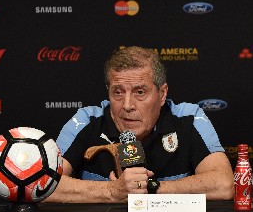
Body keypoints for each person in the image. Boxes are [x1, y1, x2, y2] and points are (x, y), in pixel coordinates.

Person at [45, 46, 234, 203]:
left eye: (140, 92)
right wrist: (112, 191)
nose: (127, 105)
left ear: (162, 94)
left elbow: (224, 184)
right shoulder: (86, 121)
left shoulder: (190, 118)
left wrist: (150, 188)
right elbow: (42, 184)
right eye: (118, 92)